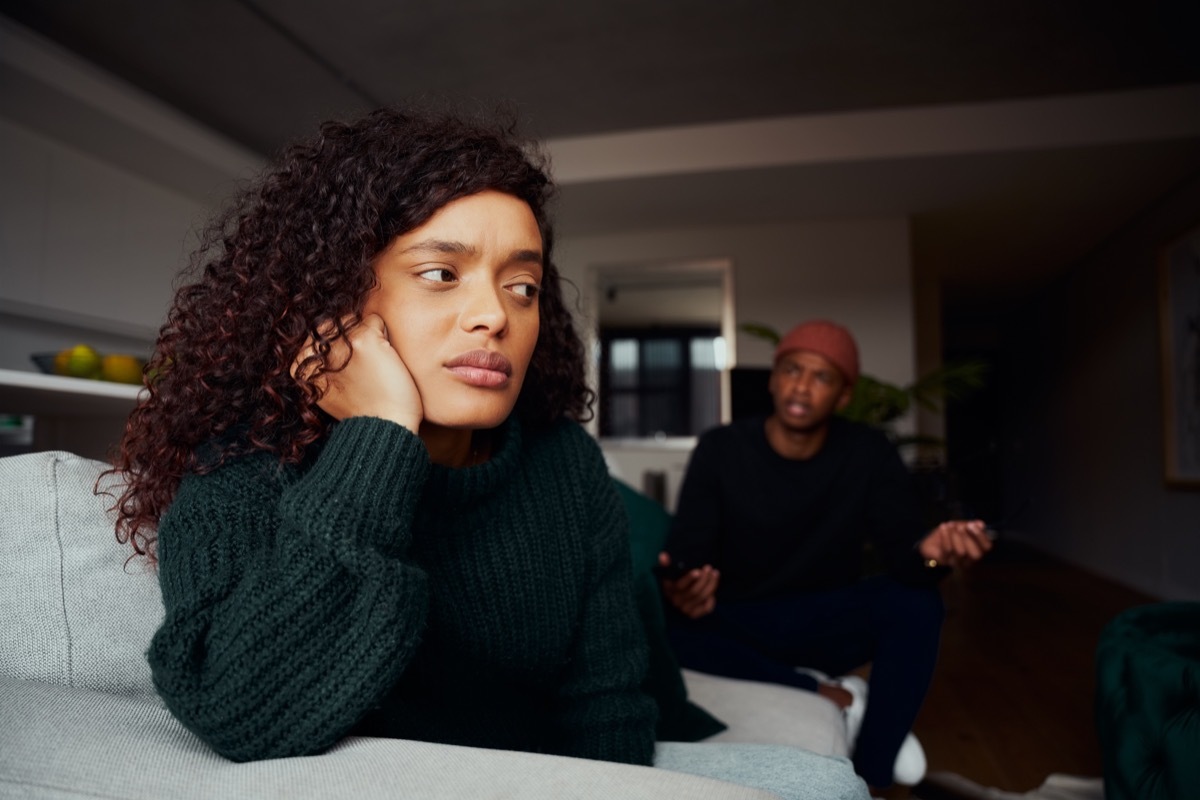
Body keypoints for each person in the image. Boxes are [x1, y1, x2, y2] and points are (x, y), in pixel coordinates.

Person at [107, 108, 868, 800]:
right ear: (336, 299)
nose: (494, 315)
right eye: (442, 274)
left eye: (523, 286)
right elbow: (243, 712)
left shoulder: (563, 462)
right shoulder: (241, 463)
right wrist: (380, 439)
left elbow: (606, 704)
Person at [659, 319, 993, 791]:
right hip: (740, 617)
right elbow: (688, 548)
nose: (802, 386)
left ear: (842, 396)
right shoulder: (721, 447)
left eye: (822, 377)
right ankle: (824, 691)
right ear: (773, 379)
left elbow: (906, 557)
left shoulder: (868, 452)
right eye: (792, 370)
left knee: (918, 604)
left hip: (823, 619)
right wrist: (685, 586)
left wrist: (932, 553)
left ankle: (871, 780)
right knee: (658, 620)